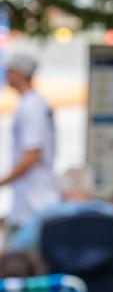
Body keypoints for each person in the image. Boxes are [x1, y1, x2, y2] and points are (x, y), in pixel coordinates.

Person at [2, 52, 60, 234]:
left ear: (19, 73)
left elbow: (32, 154)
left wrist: (3, 181)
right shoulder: (37, 103)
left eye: (9, 71)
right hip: (37, 198)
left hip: (33, 202)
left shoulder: (30, 106)